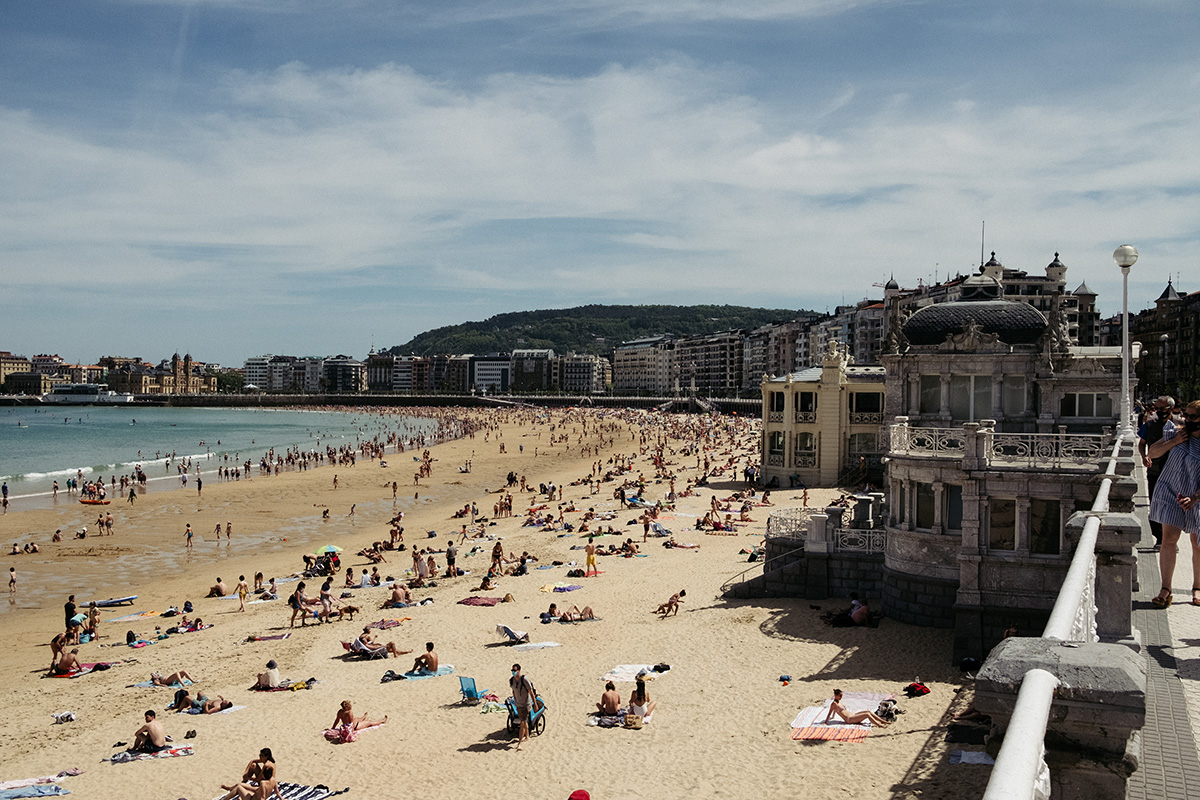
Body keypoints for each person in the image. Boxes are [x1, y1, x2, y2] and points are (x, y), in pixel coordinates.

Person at [1148, 399, 1200, 607]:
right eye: (1185, 415)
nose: (1186, 419)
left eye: (1192, 417)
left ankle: (1197, 587)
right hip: (1170, 491)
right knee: (1169, 538)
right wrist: (1175, 441)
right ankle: (1165, 589)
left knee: (1197, 543)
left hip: (1196, 496)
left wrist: (1195, 497)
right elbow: (1152, 452)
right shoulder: (1176, 431)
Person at [1140, 396, 1178, 548]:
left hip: (1175, 473)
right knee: (1155, 504)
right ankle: (1160, 537)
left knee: (1172, 505)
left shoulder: (1180, 425)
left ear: (1170, 408)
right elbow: (1142, 444)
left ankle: (1170, 539)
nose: (1160, 412)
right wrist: (1144, 457)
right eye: (1157, 408)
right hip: (1155, 471)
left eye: (1163, 409)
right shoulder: (1149, 425)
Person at [823, 688, 890, 727]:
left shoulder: (838, 702)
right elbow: (830, 711)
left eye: (841, 695)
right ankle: (879, 725)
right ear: (836, 695)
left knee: (868, 712)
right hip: (849, 719)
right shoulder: (834, 704)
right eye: (840, 696)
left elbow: (835, 710)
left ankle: (882, 721)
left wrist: (833, 717)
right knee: (867, 715)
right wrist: (826, 722)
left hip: (852, 715)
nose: (841, 697)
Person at [509, 663, 536, 751]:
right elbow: (514, 691)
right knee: (523, 721)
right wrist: (515, 702)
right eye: (512, 671)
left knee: (522, 722)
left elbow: (531, 692)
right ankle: (527, 736)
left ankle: (519, 743)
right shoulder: (512, 681)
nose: (513, 672)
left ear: (519, 670)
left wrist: (535, 704)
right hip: (518, 704)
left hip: (526, 704)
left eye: (515, 670)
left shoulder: (525, 680)